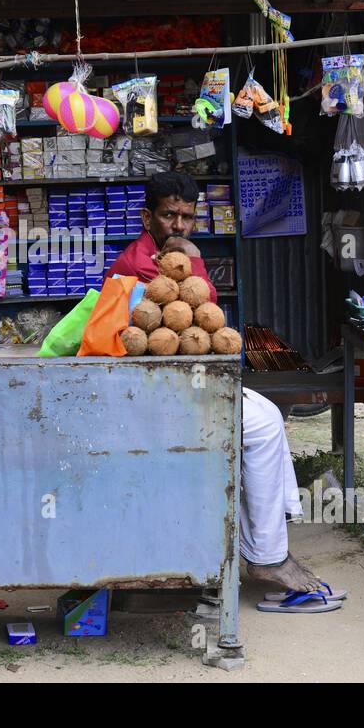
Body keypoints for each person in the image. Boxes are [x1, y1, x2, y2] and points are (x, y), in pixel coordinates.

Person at [105, 171, 333, 600]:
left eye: (187, 217)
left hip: (184, 382)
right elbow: (190, 315)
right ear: (146, 217)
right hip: (154, 396)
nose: (178, 224)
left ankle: (265, 549)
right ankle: (266, 556)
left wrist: (190, 258)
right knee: (262, 426)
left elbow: (205, 319)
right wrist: (190, 257)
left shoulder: (181, 258)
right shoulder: (139, 263)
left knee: (267, 415)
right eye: (169, 215)